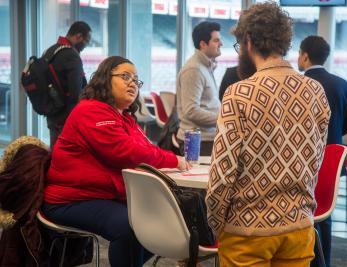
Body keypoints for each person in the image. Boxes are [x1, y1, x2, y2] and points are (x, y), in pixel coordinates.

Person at [206, 2, 331, 267]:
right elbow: (316, 161)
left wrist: (216, 225)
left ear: (248, 41)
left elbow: (223, 173)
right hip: (299, 226)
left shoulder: (239, 93)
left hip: (247, 231)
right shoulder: (316, 91)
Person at [41, 56, 190, 267]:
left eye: (136, 80)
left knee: (161, 218)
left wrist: (167, 160)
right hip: (71, 199)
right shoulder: (91, 110)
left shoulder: (125, 118)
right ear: (104, 79)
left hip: (102, 195)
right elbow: (124, 152)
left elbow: (145, 149)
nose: (132, 83)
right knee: (131, 226)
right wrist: (173, 159)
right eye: (125, 76)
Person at [298, 35, 347, 267]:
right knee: (325, 215)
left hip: (303, 162)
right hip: (332, 162)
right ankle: (324, 261)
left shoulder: (299, 85)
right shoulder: (341, 83)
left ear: (305, 56)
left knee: (303, 213)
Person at [176, 21, 222, 156]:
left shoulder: (205, 67)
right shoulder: (194, 70)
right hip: (199, 141)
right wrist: (223, 119)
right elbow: (191, 111)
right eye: (216, 40)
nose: (221, 44)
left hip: (205, 139)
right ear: (203, 44)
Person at [45, 21, 91, 148]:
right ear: (78, 36)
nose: (86, 45)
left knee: (55, 150)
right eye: (86, 40)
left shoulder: (51, 50)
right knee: (65, 153)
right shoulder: (71, 55)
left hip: (52, 111)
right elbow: (76, 93)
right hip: (66, 116)